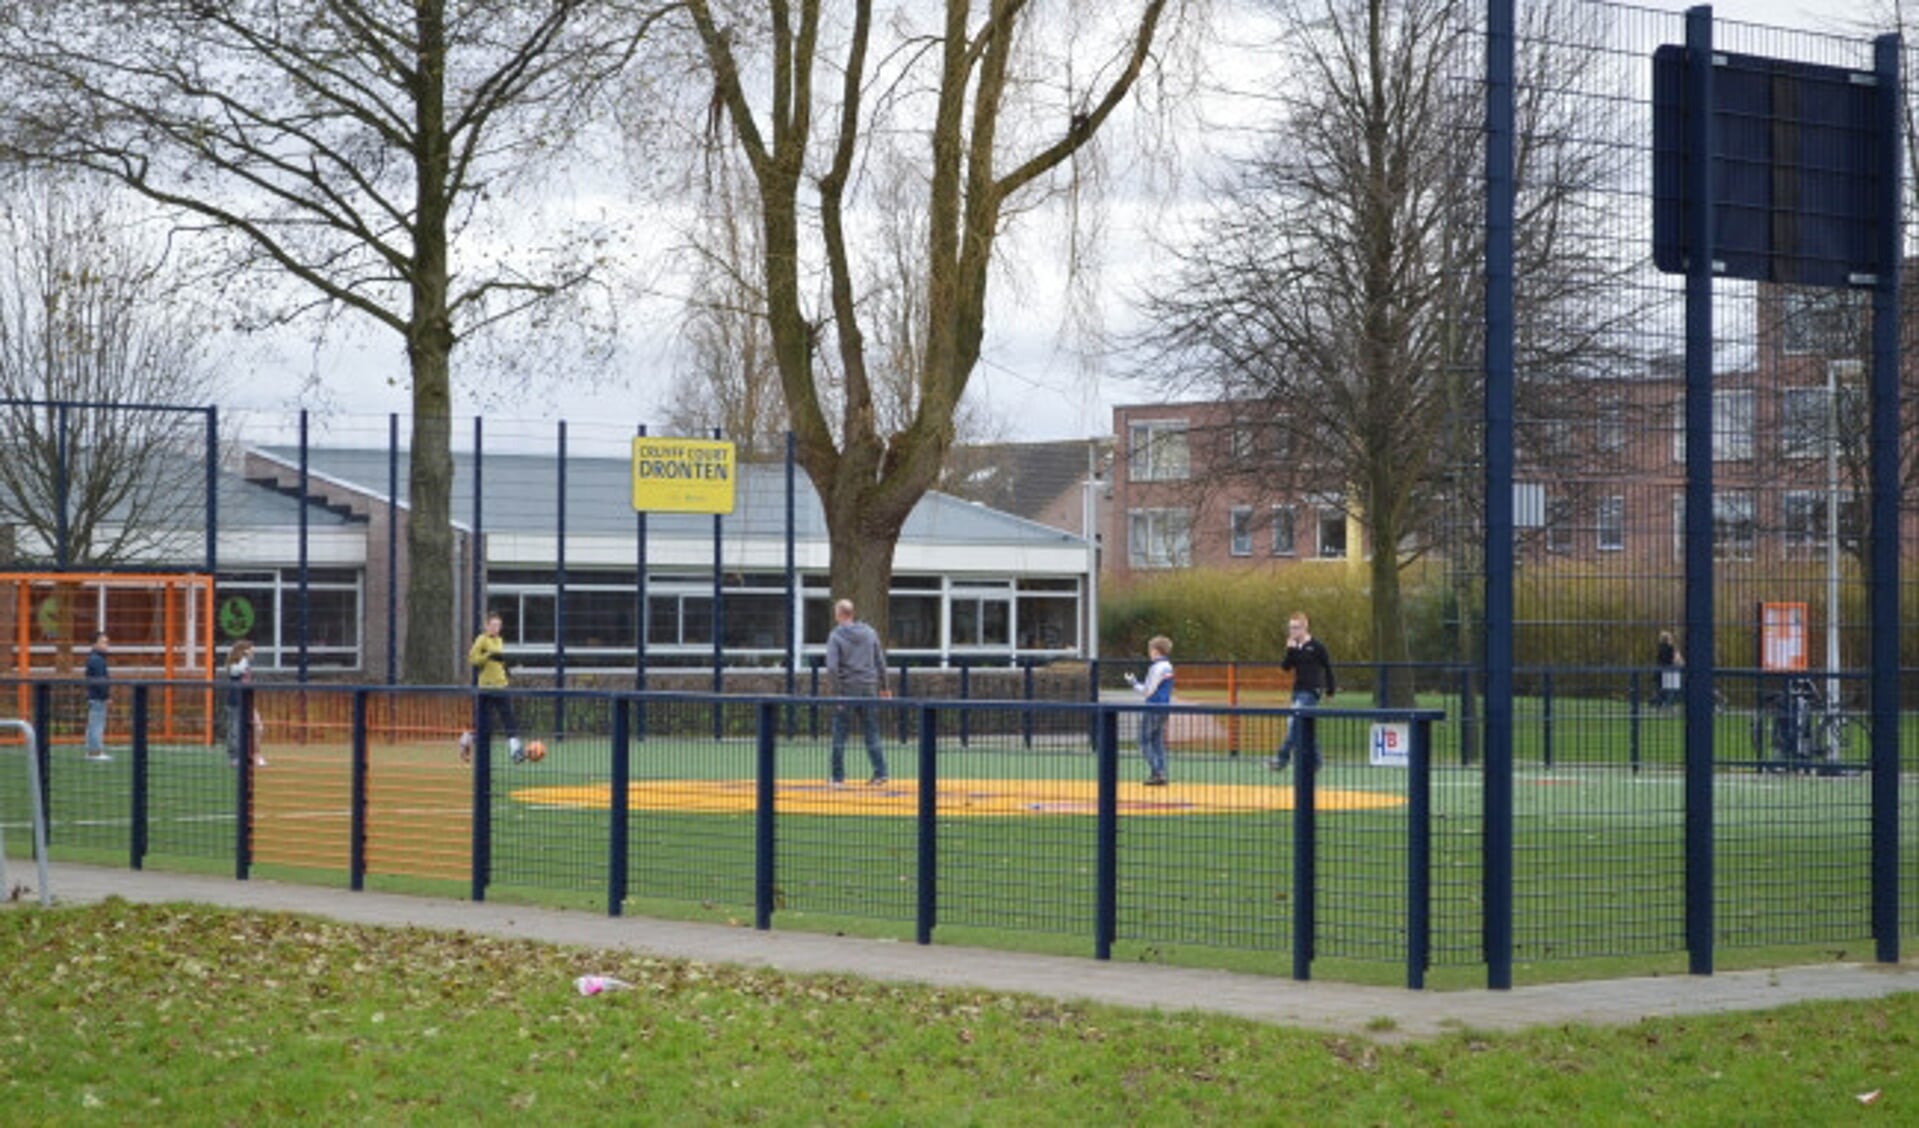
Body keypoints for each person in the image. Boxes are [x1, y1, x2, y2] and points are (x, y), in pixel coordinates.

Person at [824, 599, 890, 786]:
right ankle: (880, 772)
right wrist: (884, 687)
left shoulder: (836, 636)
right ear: (852, 613)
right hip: (869, 687)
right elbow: (880, 662)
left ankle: (837, 777)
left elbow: (832, 667)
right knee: (871, 730)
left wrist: (837, 692)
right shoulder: (870, 633)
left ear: (838, 614)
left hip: (847, 688)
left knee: (839, 732)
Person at [1272, 611, 1335, 772]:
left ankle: (1282, 757)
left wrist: (1330, 689)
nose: (1293, 631)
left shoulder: (1317, 647)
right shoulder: (1294, 648)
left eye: (1296, 628)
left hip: (1311, 691)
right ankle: (1317, 761)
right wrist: (1290, 650)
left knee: (1296, 723)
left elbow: (1327, 667)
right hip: (1297, 690)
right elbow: (1285, 667)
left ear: (1305, 627)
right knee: (1305, 726)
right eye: (1291, 628)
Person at [464, 612, 525, 763]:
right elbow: (473, 659)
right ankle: (467, 739)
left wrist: (508, 668)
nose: (496, 628)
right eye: (493, 625)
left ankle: (515, 751)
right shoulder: (482, 640)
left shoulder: (499, 640)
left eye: (498, 625)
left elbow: (499, 660)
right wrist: (487, 656)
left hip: (501, 686)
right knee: (483, 723)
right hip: (486, 687)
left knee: (508, 718)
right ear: (487, 626)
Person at [1123, 635, 1174, 786]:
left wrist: (1133, 683)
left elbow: (1147, 690)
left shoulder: (1156, 668)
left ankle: (1158, 772)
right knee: (1157, 741)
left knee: (1144, 741)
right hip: (1164, 706)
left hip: (1153, 706)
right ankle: (1160, 772)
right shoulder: (1169, 666)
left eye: (1151, 650)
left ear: (1156, 651)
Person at [226, 640, 266, 767]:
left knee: (258, 726)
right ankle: (235, 757)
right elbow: (237, 671)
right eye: (250, 649)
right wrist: (244, 657)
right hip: (235, 702)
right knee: (235, 731)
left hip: (247, 701)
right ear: (243, 651)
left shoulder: (246, 664)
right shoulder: (234, 665)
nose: (253, 651)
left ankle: (254, 755)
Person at [83, 632, 112, 762]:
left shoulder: (95, 658)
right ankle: (95, 752)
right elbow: (101, 680)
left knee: (94, 723)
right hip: (97, 697)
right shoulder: (97, 659)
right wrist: (106, 695)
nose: (106, 645)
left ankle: (93, 750)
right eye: (103, 642)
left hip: (95, 696)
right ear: (95, 644)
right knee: (97, 724)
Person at [1656, 630, 1683, 709]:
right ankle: (1667, 705)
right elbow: (1677, 660)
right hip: (1671, 670)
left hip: (1663, 670)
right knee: (1672, 688)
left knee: (1665, 688)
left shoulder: (1660, 648)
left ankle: (1661, 703)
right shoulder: (1671, 648)